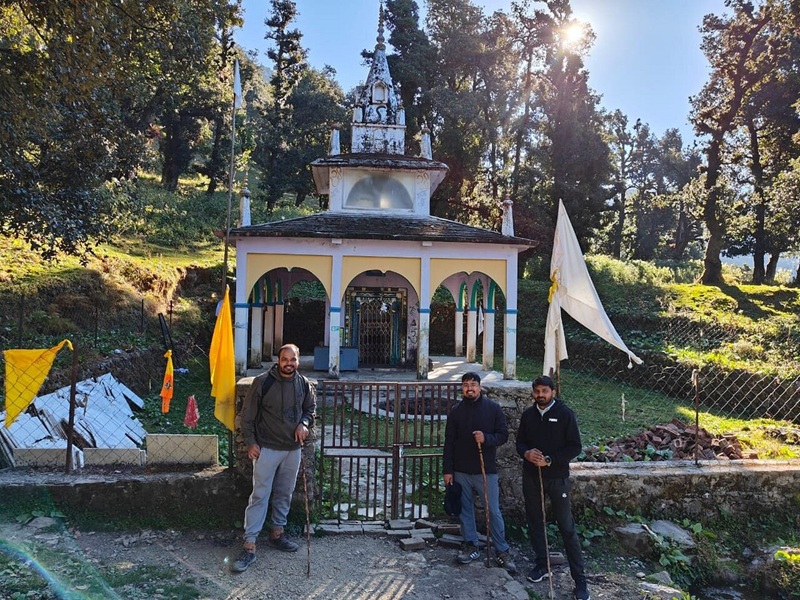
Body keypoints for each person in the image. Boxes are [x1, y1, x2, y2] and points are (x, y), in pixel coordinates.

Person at [231, 343, 316, 573]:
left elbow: (310, 409)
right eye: (285, 359)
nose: (289, 363)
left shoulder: (303, 384)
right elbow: (247, 416)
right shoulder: (263, 382)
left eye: (293, 359)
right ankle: (249, 546)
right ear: (278, 360)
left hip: (293, 449)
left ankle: (277, 534)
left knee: (284, 493)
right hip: (267, 448)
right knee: (260, 495)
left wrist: (304, 423)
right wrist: (250, 443)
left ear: (298, 361)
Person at [516, 375, 590, 600]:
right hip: (531, 476)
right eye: (537, 391)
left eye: (544, 391)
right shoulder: (528, 415)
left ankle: (580, 581)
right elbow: (520, 442)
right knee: (535, 520)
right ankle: (542, 564)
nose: (540, 395)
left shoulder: (565, 414)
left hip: (557, 478)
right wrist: (526, 453)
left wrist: (550, 460)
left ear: (553, 392)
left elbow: (575, 446)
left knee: (566, 526)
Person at [443, 371, 516, 573]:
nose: (469, 388)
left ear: (480, 386)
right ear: (462, 388)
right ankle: (471, 544)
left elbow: (502, 435)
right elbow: (449, 442)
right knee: (465, 509)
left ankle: (502, 549)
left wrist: (486, 439)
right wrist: (447, 470)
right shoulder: (456, 412)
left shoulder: (492, 409)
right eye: (465, 385)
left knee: (492, 510)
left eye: (473, 384)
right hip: (461, 470)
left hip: (486, 470)